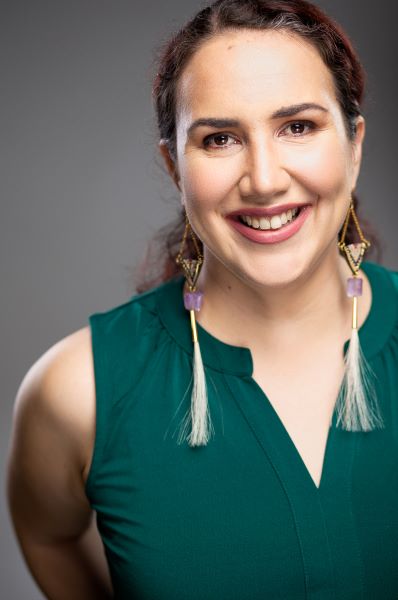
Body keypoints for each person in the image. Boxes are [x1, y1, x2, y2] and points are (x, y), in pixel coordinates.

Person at [6, 0, 398, 598]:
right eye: (219, 139)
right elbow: (49, 535)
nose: (265, 179)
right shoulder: (76, 390)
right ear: (174, 168)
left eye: (298, 126)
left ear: (354, 144)